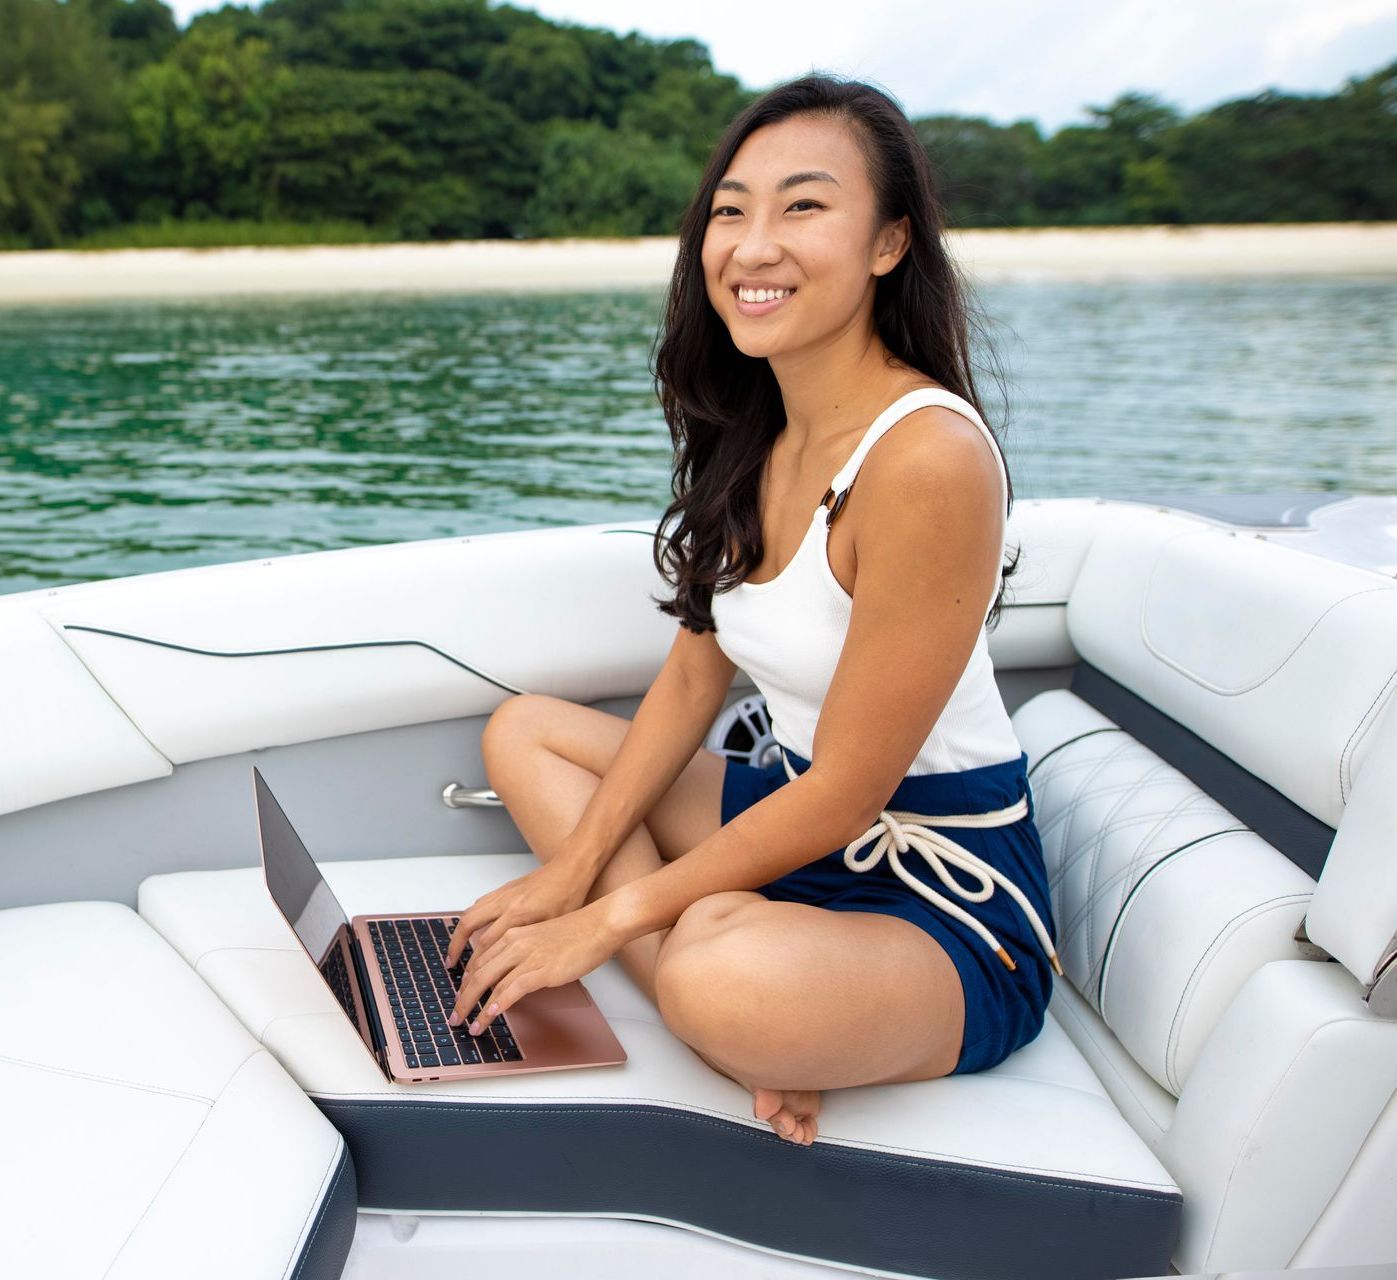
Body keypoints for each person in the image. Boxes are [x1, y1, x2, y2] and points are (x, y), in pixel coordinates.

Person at [442, 72, 1060, 1148]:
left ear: (887, 243)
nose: (751, 244)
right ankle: (756, 1013)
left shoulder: (927, 456)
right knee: (524, 730)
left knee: (717, 971)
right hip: (786, 811)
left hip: (933, 884)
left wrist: (601, 916)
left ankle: (738, 1000)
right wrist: (572, 867)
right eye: (730, 210)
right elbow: (693, 673)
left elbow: (849, 789)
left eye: (802, 206)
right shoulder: (758, 427)